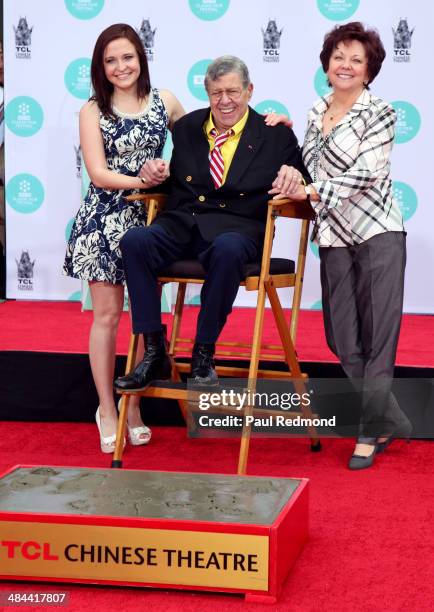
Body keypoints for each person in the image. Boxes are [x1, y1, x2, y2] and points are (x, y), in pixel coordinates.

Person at [114, 55, 305, 393]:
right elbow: (175, 180)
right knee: (135, 241)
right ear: (207, 93)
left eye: (233, 91)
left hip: (239, 230)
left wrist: (295, 178)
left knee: (228, 248)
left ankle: (203, 353)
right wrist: (151, 176)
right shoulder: (187, 128)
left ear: (249, 91)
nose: (225, 101)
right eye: (216, 93)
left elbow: (303, 184)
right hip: (183, 223)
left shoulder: (275, 136)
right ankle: (155, 348)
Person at [277, 22, 411, 470]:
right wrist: (284, 133)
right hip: (333, 235)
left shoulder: (381, 112)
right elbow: (307, 168)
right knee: (341, 336)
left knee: (378, 338)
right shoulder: (316, 112)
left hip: (378, 231)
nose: (346, 65)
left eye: (356, 59)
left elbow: (367, 174)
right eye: (339, 57)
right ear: (327, 64)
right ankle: (391, 417)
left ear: (370, 68)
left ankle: (369, 429)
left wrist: (312, 194)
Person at [63, 24, 185, 453]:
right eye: (111, 60)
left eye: (127, 57)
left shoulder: (165, 101)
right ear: (101, 67)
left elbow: (197, 141)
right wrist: (142, 177)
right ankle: (107, 408)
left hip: (152, 225)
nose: (121, 67)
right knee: (108, 317)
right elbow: (97, 173)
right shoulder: (92, 110)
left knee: (144, 318)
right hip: (104, 221)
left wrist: (264, 122)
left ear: (141, 57)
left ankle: (133, 404)